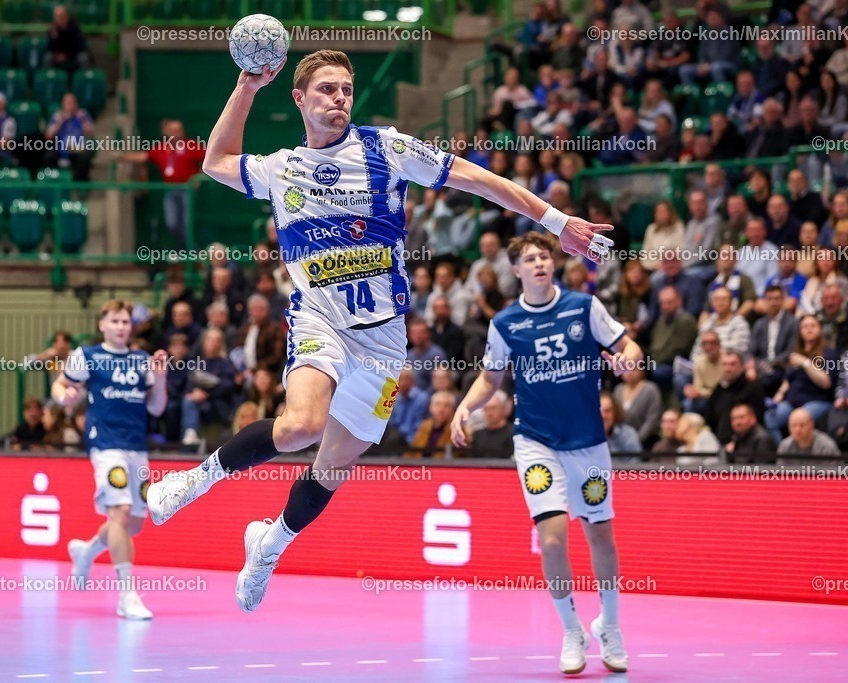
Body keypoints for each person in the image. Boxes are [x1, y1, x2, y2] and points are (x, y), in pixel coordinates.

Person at [145, 50, 614, 615]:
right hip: (320, 321)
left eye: (345, 89)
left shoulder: (385, 149)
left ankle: (269, 546)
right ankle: (194, 482)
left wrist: (557, 223)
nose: (339, 98)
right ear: (300, 99)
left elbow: (477, 180)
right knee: (300, 426)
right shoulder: (280, 167)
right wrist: (247, 86)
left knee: (333, 467)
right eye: (326, 90)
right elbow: (216, 159)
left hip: (383, 338)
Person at [451, 232, 641, 674]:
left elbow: (627, 346)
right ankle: (571, 629)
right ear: (516, 270)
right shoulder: (505, 324)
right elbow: (490, 379)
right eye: (530, 259)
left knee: (600, 537)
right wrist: (465, 406)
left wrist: (629, 359)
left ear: (553, 265)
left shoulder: (584, 307)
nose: (539, 264)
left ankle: (609, 626)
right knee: (553, 540)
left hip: (588, 441)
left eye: (544, 257)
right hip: (535, 441)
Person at [54, 299, 168, 620]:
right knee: (119, 512)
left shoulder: (141, 360)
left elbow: (156, 408)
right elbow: (60, 385)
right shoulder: (87, 356)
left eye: (125, 321)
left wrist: (160, 378)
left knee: (133, 523)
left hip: (137, 446)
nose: (121, 326)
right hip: (105, 445)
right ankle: (127, 596)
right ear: (102, 324)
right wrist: (64, 396)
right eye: (115, 321)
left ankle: (86, 551)